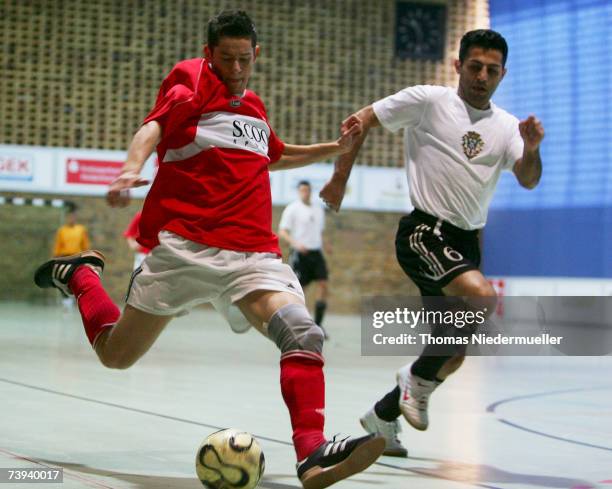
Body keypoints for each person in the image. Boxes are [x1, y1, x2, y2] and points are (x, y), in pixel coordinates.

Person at [33, 10, 383, 489]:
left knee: (303, 333)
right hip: (187, 251)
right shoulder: (189, 87)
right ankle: (81, 276)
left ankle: (312, 454)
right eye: (226, 59)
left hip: (253, 256)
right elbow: (151, 129)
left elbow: (276, 155)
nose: (236, 70)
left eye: (245, 60)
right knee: (117, 355)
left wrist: (335, 148)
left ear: (256, 55)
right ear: (208, 54)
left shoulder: (255, 108)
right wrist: (130, 167)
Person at [320, 29, 544, 457]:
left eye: (491, 70)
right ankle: (416, 381)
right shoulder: (429, 101)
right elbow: (360, 119)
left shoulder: (507, 126)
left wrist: (531, 149)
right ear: (458, 65)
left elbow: (529, 179)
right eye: (474, 66)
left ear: (503, 74)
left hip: (465, 243)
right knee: (480, 297)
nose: (482, 76)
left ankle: (383, 418)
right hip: (425, 232)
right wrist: (339, 178)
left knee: (452, 354)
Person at [279, 181, 330, 337]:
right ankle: (301, 325)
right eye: (301, 190)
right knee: (301, 290)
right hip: (300, 253)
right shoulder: (292, 209)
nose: (304, 193)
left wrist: (326, 244)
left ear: (310, 191)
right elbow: (283, 231)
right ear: (298, 192)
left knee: (323, 285)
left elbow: (319, 231)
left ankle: (319, 325)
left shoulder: (318, 210)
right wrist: (296, 244)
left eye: (307, 190)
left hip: (316, 252)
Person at [52, 204, 91, 308]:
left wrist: (86, 258)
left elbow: (85, 245)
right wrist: (56, 259)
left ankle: (76, 299)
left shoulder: (81, 229)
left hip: (77, 257)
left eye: (73, 216)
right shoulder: (62, 230)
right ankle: (66, 301)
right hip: (65, 257)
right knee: (64, 279)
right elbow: (58, 245)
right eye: (69, 216)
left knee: (77, 279)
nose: (71, 218)